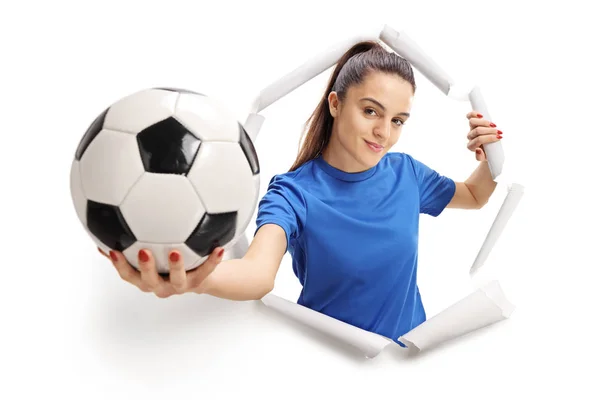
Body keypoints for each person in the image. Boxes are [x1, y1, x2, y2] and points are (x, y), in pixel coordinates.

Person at [99, 41, 502, 345]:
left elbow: (475, 194)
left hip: (408, 363)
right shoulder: (294, 192)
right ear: (335, 104)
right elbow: (257, 274)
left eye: (398, 120)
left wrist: (490, 154)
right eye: (371, 111)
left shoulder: (407, 174)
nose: (384, 133)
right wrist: (191, 277)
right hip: (327, 365)